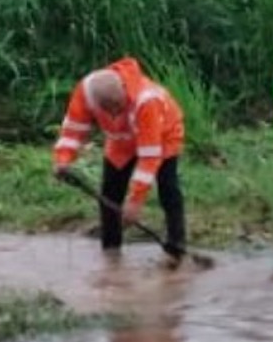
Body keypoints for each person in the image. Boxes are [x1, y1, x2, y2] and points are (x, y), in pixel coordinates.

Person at [52, 58, 186, 255]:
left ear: (124, 89)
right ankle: (111, 251)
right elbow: (73, 130)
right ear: (96, 102)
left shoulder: (147, 100)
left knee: (168, 189)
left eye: (118, 105)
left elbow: (149, 156)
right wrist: (63, 159)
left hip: (163, 135)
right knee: (109, 194)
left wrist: (135, 201)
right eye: (107, 108)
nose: (114, 111)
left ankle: (177, 246)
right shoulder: (85, 92)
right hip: (121, 142)